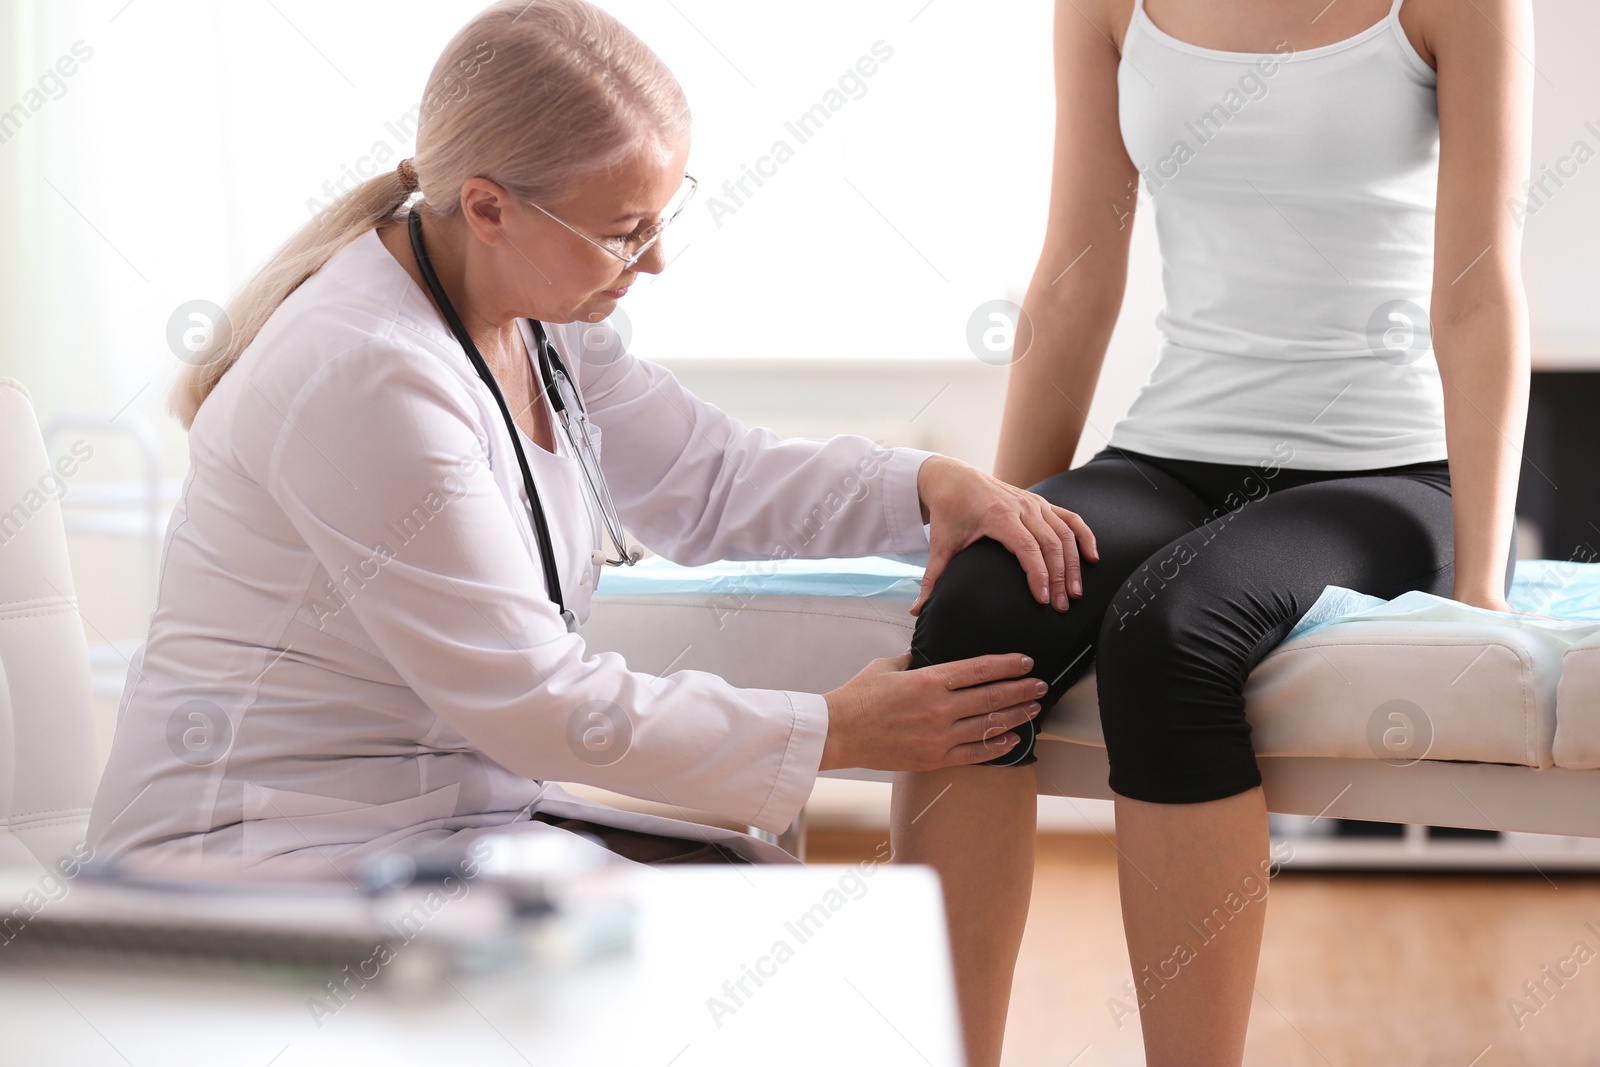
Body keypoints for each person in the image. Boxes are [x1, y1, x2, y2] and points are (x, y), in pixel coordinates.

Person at [85, 0, 1094, 880]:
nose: (652, 261)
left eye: (663, 214)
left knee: (745, 894)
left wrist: (925, 484)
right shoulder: (366, 375)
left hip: (435, 811)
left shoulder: (534, 315)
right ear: (487, 206)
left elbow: (708, 480)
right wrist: (837, 728)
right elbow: (532, 698)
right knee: (701, 949)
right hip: (259, 847)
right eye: (622, 230)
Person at [893, 0, 1535, 1063]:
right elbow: (1073, 271)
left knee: (1170, 635)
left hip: (1391, 467)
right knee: (975, 622)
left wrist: (1480, 585)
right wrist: (1003, 508)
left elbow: (1475, 293)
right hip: (1171, 449)